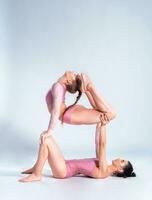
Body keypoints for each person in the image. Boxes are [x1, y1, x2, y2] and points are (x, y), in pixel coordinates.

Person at [19, 123, 136, 182]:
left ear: (120, 169)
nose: (120, 158)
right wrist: (99, 125)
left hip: (63, 171)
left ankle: (37, 174)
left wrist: (104, 125)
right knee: (45, 136)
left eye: (122, 161)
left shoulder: (104, 170)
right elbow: (97, 143)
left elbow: (102, 145)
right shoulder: (103, 164)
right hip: (64, 164)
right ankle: (36, 168)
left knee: (47, 139)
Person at [40, 71, 116, 157]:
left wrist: (50, 130)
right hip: (69, 113)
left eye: (74, 75)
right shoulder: (58, 86)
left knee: (110, 114)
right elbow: (56, 110)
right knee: (108, 113)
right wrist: (50, 130)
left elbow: (56, 111)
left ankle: (89, 88)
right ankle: (88, 88)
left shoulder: (58, 86)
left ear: (68, 81)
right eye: (75, 75)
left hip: (69, 113)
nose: (73, 72)